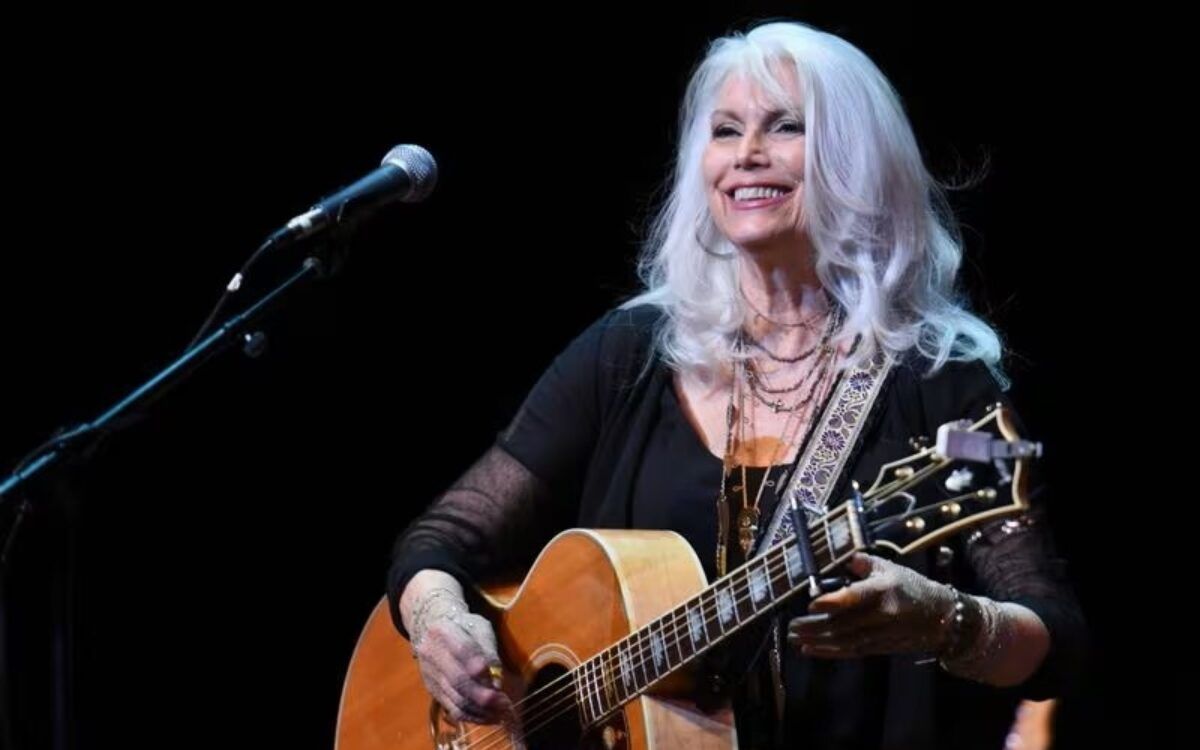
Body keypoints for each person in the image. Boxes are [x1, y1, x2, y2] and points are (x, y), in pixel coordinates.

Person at [386, 20, 1085, 749]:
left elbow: (1054, 641)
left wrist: (945, 620)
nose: (747, 154)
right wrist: (439, 620)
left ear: (857, 156)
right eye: (725, 130)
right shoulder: (630, 352)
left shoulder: (941, 379)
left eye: (785, 126)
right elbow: (442, 539)